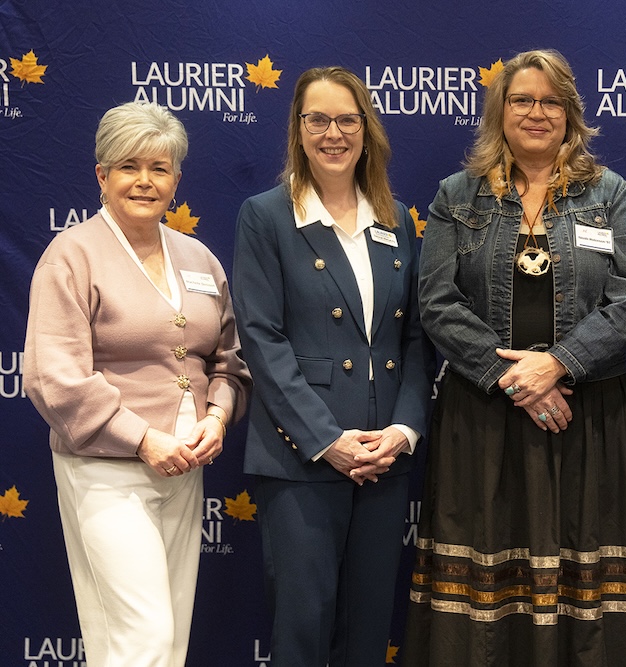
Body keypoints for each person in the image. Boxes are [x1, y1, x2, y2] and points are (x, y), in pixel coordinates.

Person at [403, 49, 626, 666]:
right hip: (484, 419)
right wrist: (516, 378)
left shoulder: (609, 194)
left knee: (585, 594)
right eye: (522, 100)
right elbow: (436, 302)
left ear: (569, 113)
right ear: (500, 111)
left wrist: (559, 362)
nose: (535, 113)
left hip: (588, 419)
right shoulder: (456, 196)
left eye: (549, 101)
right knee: (487, 601)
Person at [22, 101, 251, 667]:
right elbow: (54, 377)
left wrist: (217, 418)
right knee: (142, 637)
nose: (145, 181)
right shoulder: (71, 255)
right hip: (106, 473)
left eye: (160, 167)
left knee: (164, 641)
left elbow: (230, 364)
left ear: (177, 179)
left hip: (186, 469)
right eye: (129, 167)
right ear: (102, 176)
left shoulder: (199, 257)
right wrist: (144, 440)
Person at [232, 66, 434, 667]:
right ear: (298, 130)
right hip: (303, 459)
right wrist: (327, 441)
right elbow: (263, 341)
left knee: (369, 633)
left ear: (366, 129)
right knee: (304, 631)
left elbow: (416, 339)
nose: (333, 133)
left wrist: (402, 432)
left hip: (383, 459)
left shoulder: (395, 220)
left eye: (347, 119)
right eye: (317, 119)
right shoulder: (266, 216)